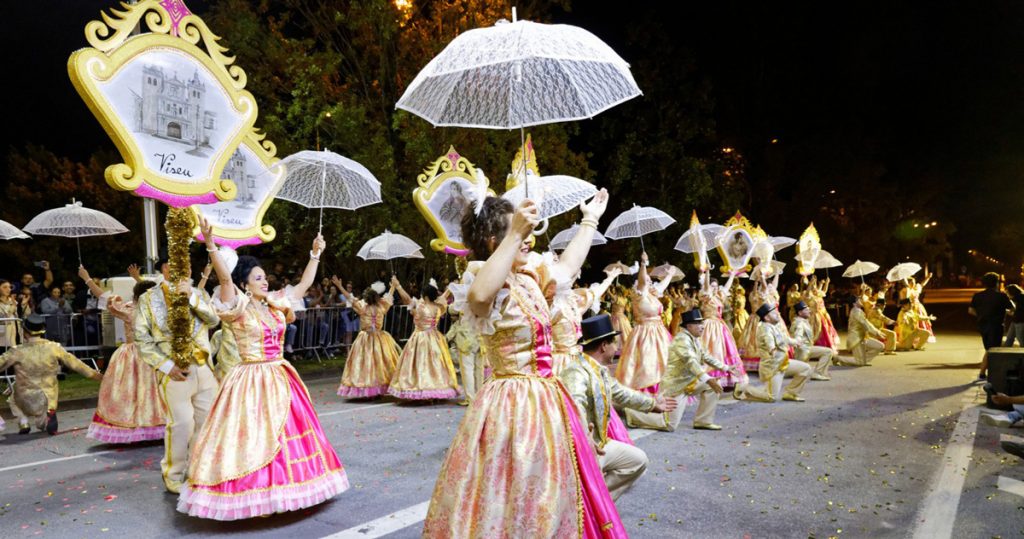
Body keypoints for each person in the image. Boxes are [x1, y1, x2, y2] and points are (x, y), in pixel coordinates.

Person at [423, 191, 628, 537]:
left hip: (548, 401)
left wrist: (589, 220)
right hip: (511, 406)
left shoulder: (529, 277)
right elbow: (479, 297)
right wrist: (515, 232)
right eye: (518, 231)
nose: (529, 237)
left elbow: (566, 268)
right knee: (511, 492)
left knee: (553, 491)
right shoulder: (481, 277)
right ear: (493, 241)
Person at [176, 219, 348, 520]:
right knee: (252, 436)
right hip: (249, 379)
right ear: (245, 283)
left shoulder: (274, 303)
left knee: (286, 434)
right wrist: (212, 246)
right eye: (258, 278)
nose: (264, 281)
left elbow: (304, 285)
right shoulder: (237, 306)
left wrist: (315, 254)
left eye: (265, 277)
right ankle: (254, 494)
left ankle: (287, 489)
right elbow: (225, 281)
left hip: (280, 376)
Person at [561, 314, 676, 500]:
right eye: (615, 343)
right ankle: (588, 509)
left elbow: (622, 393)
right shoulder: (576, 372)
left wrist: (653, 404)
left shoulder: (598, 370)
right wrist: (585, 438)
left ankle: (596, 503)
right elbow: (574, 408)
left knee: (638, 460)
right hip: (583, 450)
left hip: (600, 444)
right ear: (604, 346)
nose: (617, 348)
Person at [134, 258, 220, 493]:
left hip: (204, 369)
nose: (186, 268)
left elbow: (214, 319)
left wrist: (191, 296)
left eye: (188, 264)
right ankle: (173, 473)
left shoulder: (199, 294)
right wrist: (165, 365)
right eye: (177, 263)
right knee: (181, 423)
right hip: (174, 372)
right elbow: (142, 339)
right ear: (165, 268)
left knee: (205, 422)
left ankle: (197, 469)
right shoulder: (149, 298)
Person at [79, 266, 165, 443]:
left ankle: (135, 427)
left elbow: (102, 296)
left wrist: (87, 278)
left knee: (130, 393)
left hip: (132, 355)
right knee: (152, 393)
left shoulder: (129, 309)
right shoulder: (157, 311)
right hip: (152, 355)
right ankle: (155, 425)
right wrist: (137, 279)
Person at [627, 308, 737, 430]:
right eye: (698, 324)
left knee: (713, 386)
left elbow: (705, 356)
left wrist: (725, 367)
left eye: (702, 323)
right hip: (676, 387)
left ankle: (703, 421)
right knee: (669, 425)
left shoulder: (694, 338)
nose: (702, 326)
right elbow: (691, 362)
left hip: (690, 382)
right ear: (688, 326)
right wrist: (707, 379)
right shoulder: (682, 340)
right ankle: (631, 414)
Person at [0, 314, 102, 434]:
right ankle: (47, 416)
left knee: (12, 400)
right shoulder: (54, 347)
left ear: (24, 332)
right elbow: (76, 364)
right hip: (48, 398)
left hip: (25, 398)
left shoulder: (16, 351)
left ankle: (24, 422)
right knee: (44, 417)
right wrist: (96, 375)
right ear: (42, 331)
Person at [387, 277, 460, 401]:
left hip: (420, 338)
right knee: (436, 365)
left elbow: (407, 299)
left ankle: (422, 389)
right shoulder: (439, 308)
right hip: (435, 338)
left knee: (421, 364)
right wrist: (449, 289)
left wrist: (398, 286)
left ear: (425, 296)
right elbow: (443, 298)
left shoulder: (420, 308)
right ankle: (437, 389)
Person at [615, 252, 674, 394]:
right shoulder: (638, 294)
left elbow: (663, 285)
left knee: (664, 362)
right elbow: (642, 282)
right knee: (648, 364)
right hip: (645, 334)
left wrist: (670, 275)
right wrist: (643, 264)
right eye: (647, 280)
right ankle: (648, 393)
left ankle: (665, 391)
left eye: (650, 280)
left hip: (659, 332)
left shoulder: (653, 293)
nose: (649, 282)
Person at [335, 277, 401, 398]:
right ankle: (377, 387)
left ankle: (370, 388)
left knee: (366, 364)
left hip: (366, 338)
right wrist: (393, 286)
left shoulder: (362, 308)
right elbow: (388, 297)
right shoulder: (382, 308)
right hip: (379, 338)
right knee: (378, 364)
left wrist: (340, 286)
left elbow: (350, 298)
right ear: (376, 298)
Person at [734, 303, 811, 403]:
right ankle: (742, 388)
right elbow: (768, 339)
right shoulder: (764, 328)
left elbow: (785, 339)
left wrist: (796, 342)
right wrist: (772, 348)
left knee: (806, 369)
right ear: (767, 317)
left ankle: (791, 393)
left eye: (777, 312)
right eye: (774, 313)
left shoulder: (775, 326)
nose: (778, 314)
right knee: (771, 397)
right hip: (773, 367)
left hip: (783, 362)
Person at [550, 267, 620, 376]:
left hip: (578, 357)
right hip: (559, 361)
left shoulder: (574, 300)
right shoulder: (551, 304)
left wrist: (609, 278)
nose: (572, 278)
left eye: (574, 274)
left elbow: (595, 293)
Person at [697, 271, 748, 389]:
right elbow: (705, 287)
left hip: (720, 326)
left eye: (715, 286)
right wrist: (708, 272)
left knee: (725, 349)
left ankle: (727, 377)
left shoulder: (719, 296)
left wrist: (732, 274)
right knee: (711, 350)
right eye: (712, 286)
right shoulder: (705, 296)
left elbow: (727, 287)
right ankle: (710, 378)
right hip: (708, 326)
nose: (714, 288)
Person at [970, 272, 1013, 381]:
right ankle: (983, 373)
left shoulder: (977, 296)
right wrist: (1005, 311)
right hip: (996, 325)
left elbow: (970, 310)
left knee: (989, 348)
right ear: (996, 283)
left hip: (982, 325)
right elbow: (1012, 308)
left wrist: (980, 315)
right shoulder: (1001, 296)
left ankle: (985, 373)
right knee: (992, 349)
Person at [789, 301, 834, 380]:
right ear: (800, 313)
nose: (809, 311)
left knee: (828, 351)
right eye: (806, 310)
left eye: (808, 309)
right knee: (828, 352)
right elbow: (798, 335)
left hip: (807, 349)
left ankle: (818, 372)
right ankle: (817, 373)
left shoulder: (803, 321)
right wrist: (797, 340)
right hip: (803, 351)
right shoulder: (799, 323)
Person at [446, 311, 483, 405]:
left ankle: (470, 398)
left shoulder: (462, 305)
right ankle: (481, 397)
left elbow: (453, 309)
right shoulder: (480, 301)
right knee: (479, 370)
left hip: (466, 339)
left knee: (467, 370)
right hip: (480, 338)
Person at [838, 296, 886, 366]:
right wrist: (876, 333)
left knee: (880, 346)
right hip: (856, 339)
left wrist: (877, 332)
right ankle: (838, 358)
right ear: (854, 304)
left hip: (863, 337)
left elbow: (867, 323)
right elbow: (865, 324)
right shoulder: (856, 312)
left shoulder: (858, 310)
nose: (861, 301)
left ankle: (864, 360)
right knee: (860, 363)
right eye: (858, 300)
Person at [0, 279, 19, 348]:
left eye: (9, 287)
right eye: (5, 287)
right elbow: (3, 318)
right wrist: (13, 307)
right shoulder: (13, 303)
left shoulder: (13, 300)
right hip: (2, 337)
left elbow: (23, 316)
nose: (8, 289)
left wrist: (23, 306)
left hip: (14, 335)